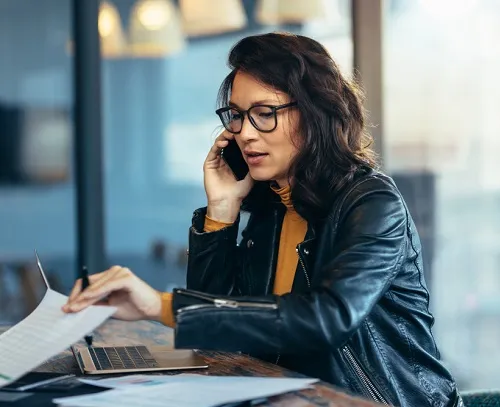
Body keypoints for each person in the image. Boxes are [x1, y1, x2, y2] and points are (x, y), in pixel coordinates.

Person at [63, 32, 463, 407]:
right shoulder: (271, 206)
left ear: (315, 113)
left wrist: (160, 306)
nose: (246, 134)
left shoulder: (371, 201)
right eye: (237, 116)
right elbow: (221, 336)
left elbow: (325, 318)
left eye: (264, 113)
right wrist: (221, 211)